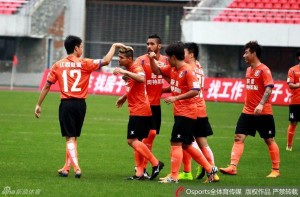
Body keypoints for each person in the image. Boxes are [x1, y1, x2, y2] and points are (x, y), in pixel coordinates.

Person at [34, 35, 126, 178]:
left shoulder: (58, 65)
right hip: (81, 105)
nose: (82, 49)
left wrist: (38, 104)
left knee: (69, 137)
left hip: (66, 104)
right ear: (76, 48)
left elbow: (47, 86)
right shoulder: (85, 63)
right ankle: (66, 168)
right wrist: (114, 46)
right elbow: (107, 61)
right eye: (81, 46)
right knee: (73, 137)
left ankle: (76, 168)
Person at [149, 42, 218, 183]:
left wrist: (176, 97)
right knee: (186, 144)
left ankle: (174, 176)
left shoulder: (188, 70)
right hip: (180, 112)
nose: (166, 60)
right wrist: (152, 59)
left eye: (168, 57)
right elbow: (157, 71)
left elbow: (195, 90)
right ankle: (210, 168)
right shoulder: (173, 69)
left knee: (176, 142)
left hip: (187, 112)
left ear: (174, 57)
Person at [219, 41, 280, 178]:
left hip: (263, 112)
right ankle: (233, 167)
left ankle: (276, 170)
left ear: (254, 53)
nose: (244, 55)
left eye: (246, 52)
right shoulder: (248, 70)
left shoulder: (264, 70)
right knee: (238, 137)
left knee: (269, 139)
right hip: (247, 111)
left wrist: (260, 104)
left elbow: (269, 88)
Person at [113, 46, 164, 180]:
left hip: (139, 110)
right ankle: (139, 173)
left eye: (121, 58)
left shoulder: (136, 68)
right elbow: (136, 86)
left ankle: (155, 163)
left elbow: (142, 79)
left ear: (129, 59)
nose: (119, 60)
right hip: (140, 109)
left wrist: (125, 73)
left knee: (131, 140)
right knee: (138, 141)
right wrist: (124, 98)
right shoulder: (131, 69)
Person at [177, 42, 219, 182]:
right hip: (201, 107)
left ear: (191, 54)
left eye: (184, 53)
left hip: (192, 109)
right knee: (201, 142)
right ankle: (209, 169)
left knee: (185, 141)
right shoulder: (199, 66)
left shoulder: (189, 68)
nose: (182, 56)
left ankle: (207, 167)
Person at [132, 34, 169, 178]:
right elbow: (134, 79)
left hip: (155, 104)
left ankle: (145, 168)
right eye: (147, 44)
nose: (149, 46)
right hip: (142, 104)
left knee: (151, 135)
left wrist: (163, 91)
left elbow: (174, 80)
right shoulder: (140, 60)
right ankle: (139, 169)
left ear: (159, 46)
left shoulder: (166, 61)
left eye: (152, 44)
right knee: (140, 138)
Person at [286, 49, 300, 151]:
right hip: (295, 101)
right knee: (293, 123)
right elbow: (290, 85)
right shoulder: (292, 70)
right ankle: (289, 145)